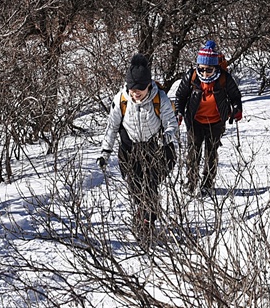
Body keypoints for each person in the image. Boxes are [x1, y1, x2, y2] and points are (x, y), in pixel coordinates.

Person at [98, 53, 178, 243]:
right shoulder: (121, 100)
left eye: (140, 89)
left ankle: (147, 223)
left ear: (148, 85)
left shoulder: (161, 98)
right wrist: (105, 153)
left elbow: (171, 125)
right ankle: (143, 214)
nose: (136, 93)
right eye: (133, 89)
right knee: (135, 187)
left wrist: (164, 140)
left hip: (155, 148)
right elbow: (112, 127)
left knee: (150, 185)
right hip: (130, 150)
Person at [172, 39, 243, 196]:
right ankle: (190, 184)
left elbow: (235, 96)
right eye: (201, 69)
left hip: (216, 122)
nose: (204, 73)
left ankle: (208, 184)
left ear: (215, 68)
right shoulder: (191, 77)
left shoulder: (224, 78)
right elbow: (180, 96)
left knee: (211, 154)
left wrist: (237, 109)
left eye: (209, 70)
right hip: (195, 121)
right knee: (192, 154)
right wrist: (179, 112)